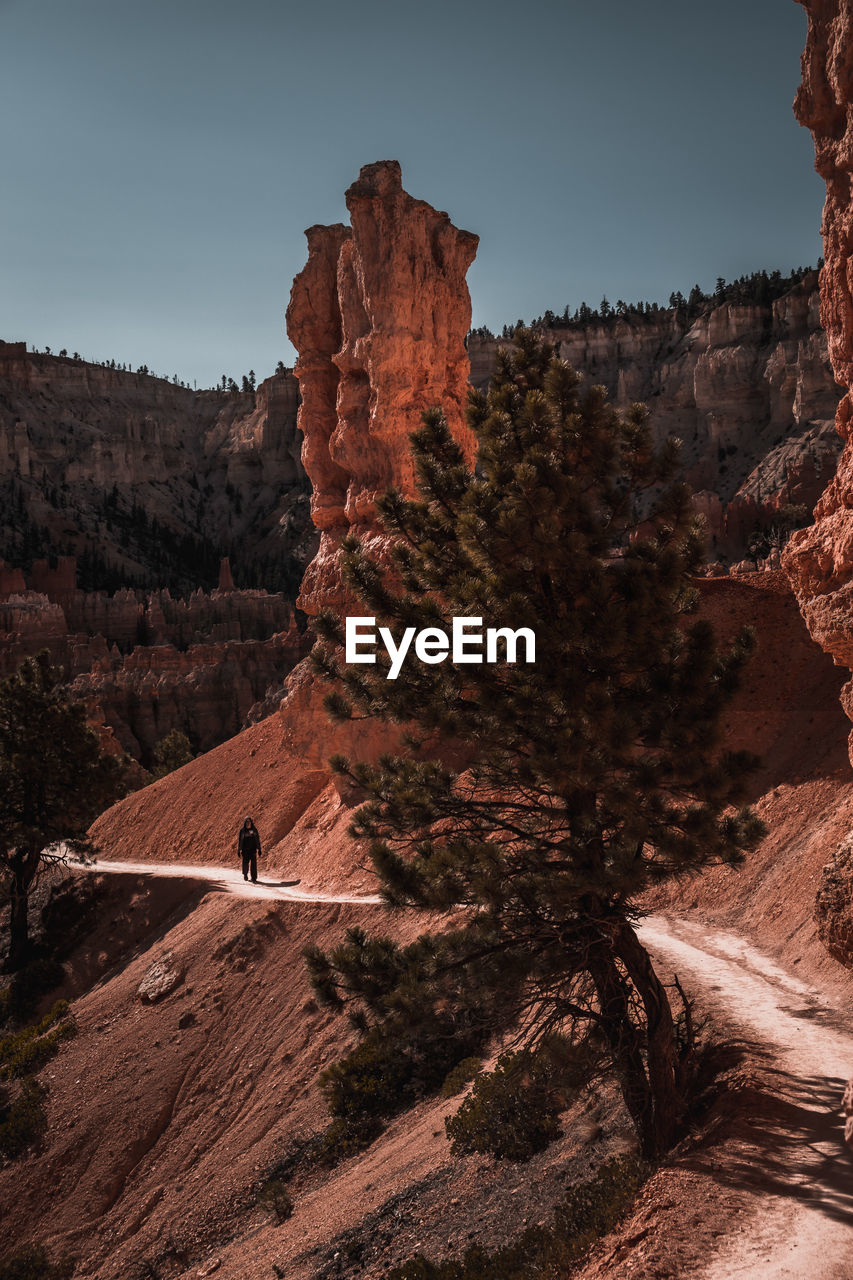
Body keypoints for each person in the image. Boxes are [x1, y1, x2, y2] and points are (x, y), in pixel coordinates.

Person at [238, 816, 261, 883]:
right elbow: (240, 841)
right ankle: (245, 874)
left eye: (249, 822)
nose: (248, 823)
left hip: (253, 850)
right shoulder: (242, 831)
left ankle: (254, 877)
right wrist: (239, 850)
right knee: (245, 863)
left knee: (253, 864)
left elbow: (257, 840)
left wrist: (259, 849)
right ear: (245, 823)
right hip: (245, 850)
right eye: (247, 822)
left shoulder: (254, 830)